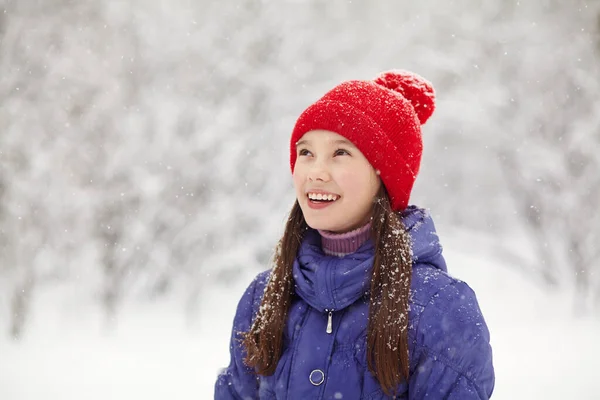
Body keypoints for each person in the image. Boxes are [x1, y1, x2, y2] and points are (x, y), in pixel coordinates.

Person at [214, 70, 494, 399]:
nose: (316, 172)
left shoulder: (440, 308)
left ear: (384, 176)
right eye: (306, 153)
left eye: (340, 153)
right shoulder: (265, 296)